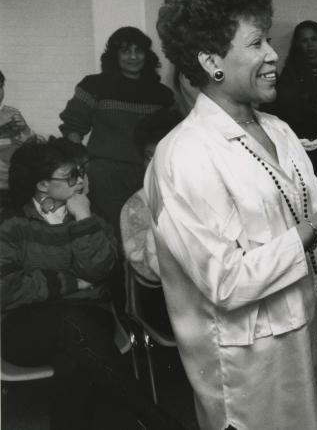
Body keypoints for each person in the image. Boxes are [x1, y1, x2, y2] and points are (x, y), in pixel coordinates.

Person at [152, 0, 317, 430]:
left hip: (311, 343)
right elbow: (225, 282)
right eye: (256, 42)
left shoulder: (278, 130)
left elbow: (316, 216)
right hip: (253, 379)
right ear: (211, 61)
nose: (273, 54)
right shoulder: (184, 156)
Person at [0, 137, 182, 430]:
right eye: (71, 176)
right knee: (70, 328)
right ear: (42, 184)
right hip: (26, 329)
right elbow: (6, 288)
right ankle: (157, 420)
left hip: (90, 321)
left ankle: (157, 422)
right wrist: (72, 282)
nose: (81, 181)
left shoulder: (92, 221)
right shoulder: (11, 226)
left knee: (72, 360)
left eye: (81, 173)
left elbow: (99, 271)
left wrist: (83, 217)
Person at [58, 26, 175, 235]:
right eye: (125, 51)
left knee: (147, 233)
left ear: (147, 55)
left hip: (148, 175)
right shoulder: (94, 85)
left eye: (138, 51)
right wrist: (80, 168)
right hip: (104, 176)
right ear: (114, 55)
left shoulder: (162, 93)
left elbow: (170, 136)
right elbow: (73, 128)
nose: (133, 57)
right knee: (111, 232)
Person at [263, 20, 317, 197]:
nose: (310, 45)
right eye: (304, 40)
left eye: (314, 39)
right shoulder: (291, 71)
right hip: (307, 143)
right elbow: (286, 109)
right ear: (297, 44)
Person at [120, 108, 182, 333]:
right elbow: (146, 272)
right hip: (163, 299)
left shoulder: (203, 194)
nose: (156, 165)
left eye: (164, 156)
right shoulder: (135, 205)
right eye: (149, 157)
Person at [0, 69, 34, 205]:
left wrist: (24, 129)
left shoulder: (11, 112)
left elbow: (31, 145)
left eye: (0, 86)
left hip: (12, 182)